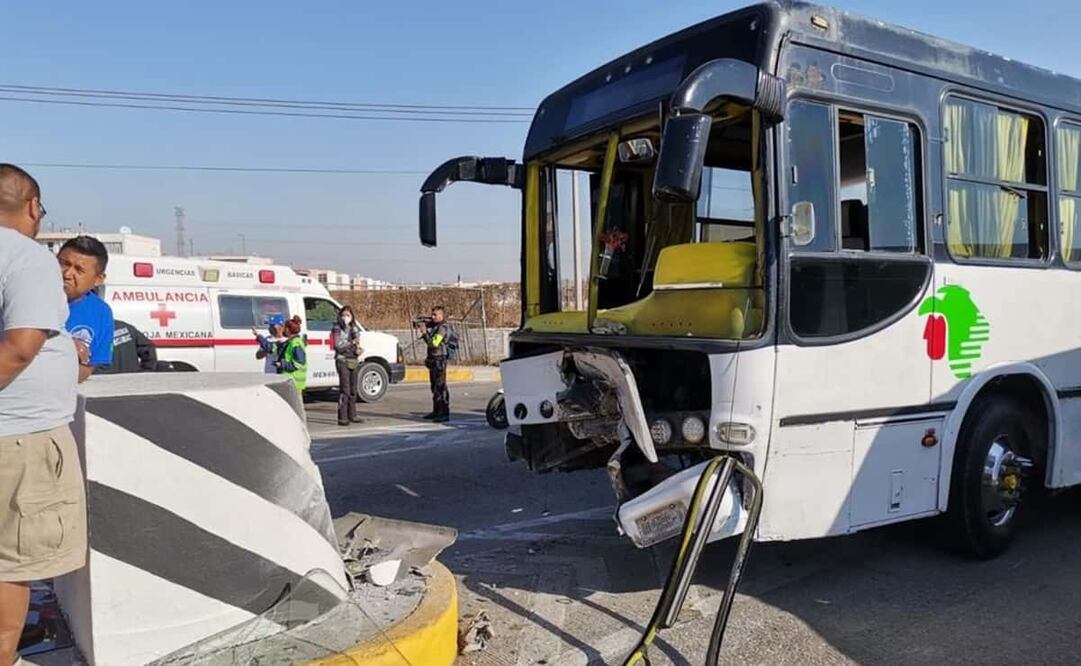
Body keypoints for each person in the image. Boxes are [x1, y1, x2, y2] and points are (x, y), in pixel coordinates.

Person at [0, 164, 86, 666]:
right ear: (33, 208)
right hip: (18, 444)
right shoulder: (26, 258)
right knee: (9, 568)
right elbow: (18, 348)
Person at [58, 236, 114, 382]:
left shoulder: (101, 313)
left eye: (79, 270)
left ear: (98, 279)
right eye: (64, 264)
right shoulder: (25, 295)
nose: (67, 274)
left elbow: (87, 368)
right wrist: (63, 345)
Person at [331, 306, 364, 426]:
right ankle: (342, 417)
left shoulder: (353, 329)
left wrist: (358, 350)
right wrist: (351, 343)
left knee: (353, 389)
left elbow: (357, 344)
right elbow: (338, 346)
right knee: (345, 389)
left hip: (353, 360)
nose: (346, 318)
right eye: (344, 315)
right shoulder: (337, 328)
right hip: (342, 360)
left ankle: (353, 414)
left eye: (348, 315)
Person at [419, 305, 451, 422]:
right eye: (432, 315)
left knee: (441, 387)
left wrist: (424, 334)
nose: (432, 317)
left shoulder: (442, 328)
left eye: (435, 315)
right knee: (434, 387)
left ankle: (444, 413)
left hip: (440, 360)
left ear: (441, 316)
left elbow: (434, 343)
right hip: (433, 360)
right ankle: (436, 411)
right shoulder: (436, 326)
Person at [275, 315, 307, 394]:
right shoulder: (292, 341)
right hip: (292, 381)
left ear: (288, 329)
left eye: (285, 327)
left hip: (294, 381)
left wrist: (282, 364)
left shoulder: (295, 342)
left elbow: (299, 363)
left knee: (293, 405)